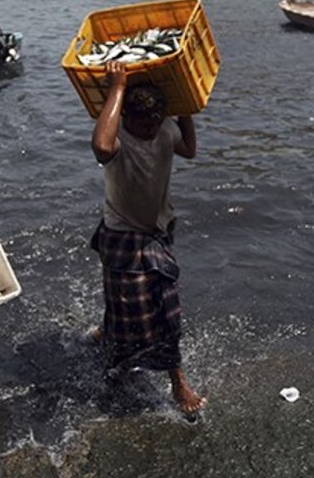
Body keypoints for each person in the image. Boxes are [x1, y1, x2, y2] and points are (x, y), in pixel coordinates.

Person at [89, 62, 204, 415]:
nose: (149, 128)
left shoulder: (164, 129)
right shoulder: (118, 139)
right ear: (126, 117)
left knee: (166, 310)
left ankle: (176, 379)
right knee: (125, 304)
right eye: (142, 122)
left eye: (155, 121)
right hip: (123, 236)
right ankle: (111, 344)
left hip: (158, 231)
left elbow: (188, 149)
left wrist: (184, 108)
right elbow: (101, 147)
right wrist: (117, 87)